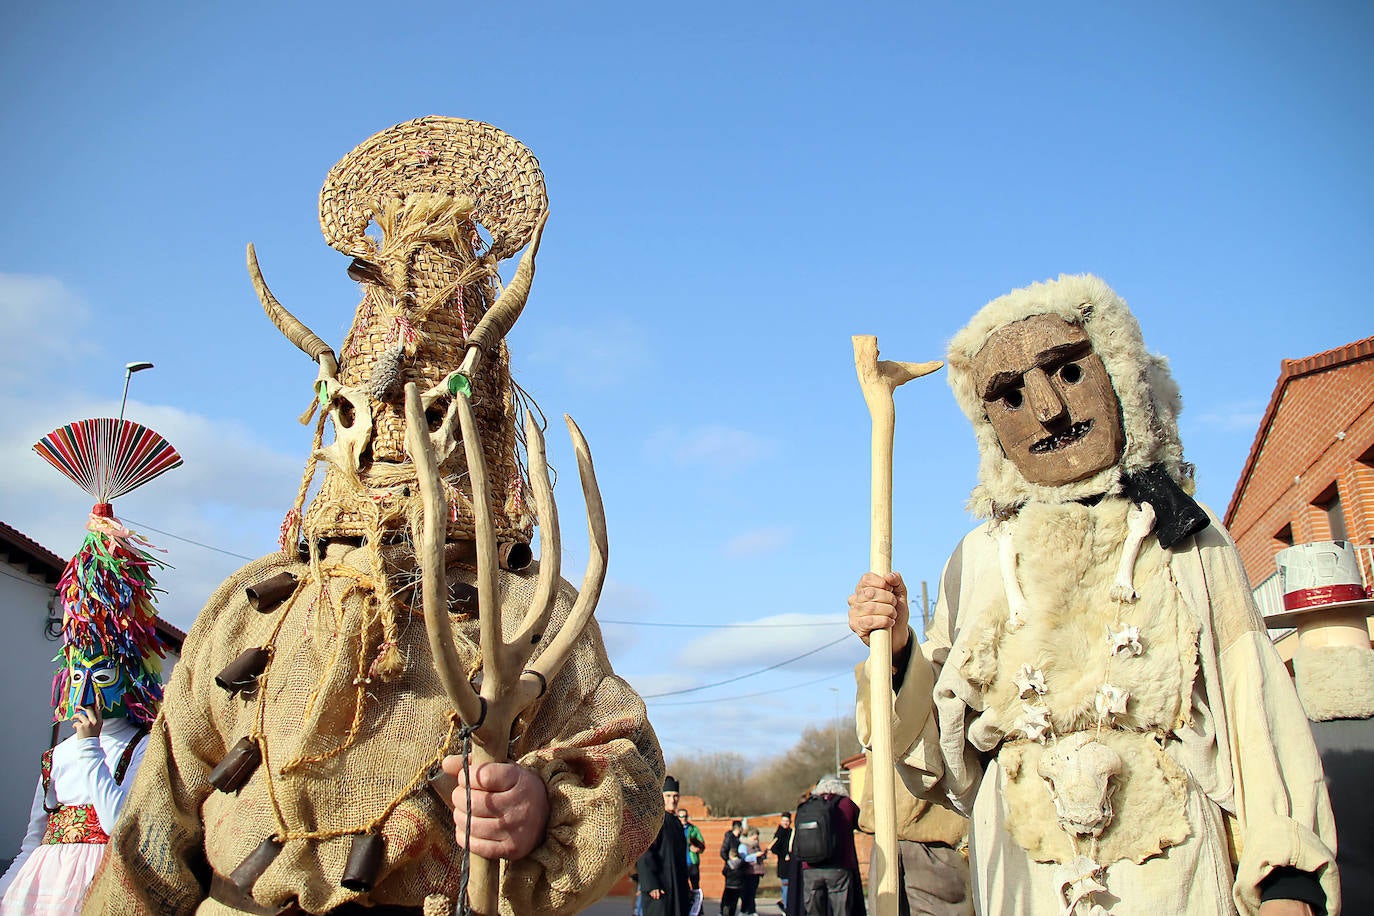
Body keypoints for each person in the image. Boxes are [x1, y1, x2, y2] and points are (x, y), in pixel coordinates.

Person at [82, 117, 666, 915]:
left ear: (478, 424)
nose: (398, 441)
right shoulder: (251, 610)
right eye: (369, 410)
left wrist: (536, 808)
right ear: (336, 416)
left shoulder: (530, 611)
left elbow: (627, 771)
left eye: (431, 415)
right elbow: (152, 835)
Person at [849, 274, 1339, 914]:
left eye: (1068, 373)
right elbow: (940, 759)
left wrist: (1286, 879)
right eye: (1010, 395)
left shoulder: (1184, 535)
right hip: (1023, 877)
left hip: (1174, 876)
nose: (1048, 409)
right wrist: (896, 652)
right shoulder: (978, 558)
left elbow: (1256, 705)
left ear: (1119, 376)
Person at [0, 501, 167, 915]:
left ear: (129, 683)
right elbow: (32, 838)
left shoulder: (141, 746)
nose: (88, 690)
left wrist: (91, 748)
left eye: (103, 677)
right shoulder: (57, 756)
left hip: (100, 887)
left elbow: (117, 824)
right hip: (39, 890)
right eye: (78, 677)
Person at [797, 776, 863, 916]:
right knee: (842, 910)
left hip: (810, 867)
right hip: (839, 866)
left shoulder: (809, 804)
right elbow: (863, 824)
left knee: (814, 911)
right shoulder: (846, 804)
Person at [638, 776, 692, 916]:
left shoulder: (677, 823)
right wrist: (651, 884)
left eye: (675, 796)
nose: (672, 800)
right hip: (659, 887)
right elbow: (645, 851)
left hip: (677, 886)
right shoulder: (654, 820)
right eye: (668, 796)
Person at [680, 808, 707, 916]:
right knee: (683, 887)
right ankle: (685, 909)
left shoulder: (693, 829)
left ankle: (699, 910)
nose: (684, 818)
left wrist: (697, 848)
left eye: (685, 816)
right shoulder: (676, 828)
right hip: (680, 863)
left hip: (692, 862)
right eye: (681, 816)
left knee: (695, 888)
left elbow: (702, 845)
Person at [738, 826, 767, 916]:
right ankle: (747, 910)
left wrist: (763, 855)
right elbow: (744, 858)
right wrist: (755, 856)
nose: (756, 837)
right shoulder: (743, 845)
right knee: (747, 892)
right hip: (747, 872)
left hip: (756, 872)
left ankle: (750, 909)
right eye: (754, 835)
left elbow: (759, 856)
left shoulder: (756, 845)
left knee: (752, 892)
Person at [769, 813, 792, 912]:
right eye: (784, 821)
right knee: (785, 886)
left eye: (787, 821)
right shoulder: (779, 833)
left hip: (792, 864)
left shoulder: (791, 832)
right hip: (784, 864)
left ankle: (787, 905)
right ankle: (785, 907)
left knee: (790, 887)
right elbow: (773, 848)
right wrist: (784, 855)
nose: (785, 823)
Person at [721, 846, 750, 916]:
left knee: (726, 900)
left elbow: (724, 872)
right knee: (734, 901)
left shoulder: (728, 864)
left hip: (729, 885)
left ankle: (725, 910)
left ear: (730, 855)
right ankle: (732, 913)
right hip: (738, 886)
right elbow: (744, 872)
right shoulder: (742, 863)